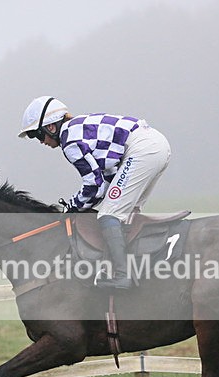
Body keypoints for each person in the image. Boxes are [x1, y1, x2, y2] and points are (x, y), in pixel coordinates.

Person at [18, 96, 171, 290]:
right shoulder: (76, 129)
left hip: (142, 150)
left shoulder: (70, 141)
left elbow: (94, 185)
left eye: (37, 135)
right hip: (155, 145)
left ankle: (123, 276)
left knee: (109, 214)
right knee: (128, 214)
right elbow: (106, 181)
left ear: (51, 128)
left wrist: (72, 206)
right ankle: (140, 268)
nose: (40, 142)